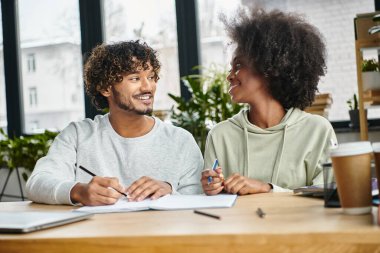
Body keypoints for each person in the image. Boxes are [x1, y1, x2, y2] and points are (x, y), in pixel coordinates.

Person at [26, 40, 203, 206]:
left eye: (151, 77)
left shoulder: (181, 141)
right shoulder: (78, 135)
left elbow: (199, 201)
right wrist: (79, 191)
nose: (147, 87)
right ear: (105, 88)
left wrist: (170, 191)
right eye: (134, 78)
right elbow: (37, 183)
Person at [201, 8, 337, 195]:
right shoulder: (220, 136)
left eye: (238, 65)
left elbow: (328, 195)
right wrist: (212, 188)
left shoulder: (317, 131)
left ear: (269, 69)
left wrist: (268, 189)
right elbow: (214, 206)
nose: (229, 76)